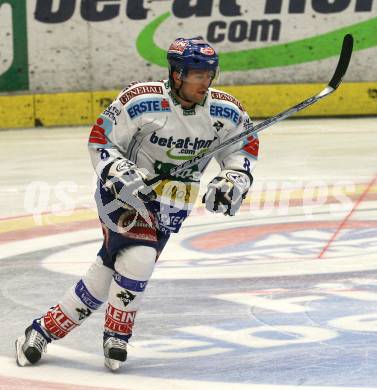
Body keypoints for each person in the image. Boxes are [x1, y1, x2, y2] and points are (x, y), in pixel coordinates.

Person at [15, 37, 259, 371]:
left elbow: (242, 151)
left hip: (174, 206)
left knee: (107, 271)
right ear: (177, 74)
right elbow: (102, 138)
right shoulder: (141, 101)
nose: (206, 81)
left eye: (210, 74)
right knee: (139, 258)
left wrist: (233, 181)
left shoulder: (226, 111)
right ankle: (117, 334)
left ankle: (42, 330)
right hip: (124, 196)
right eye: (198, 74)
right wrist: (119, 172)